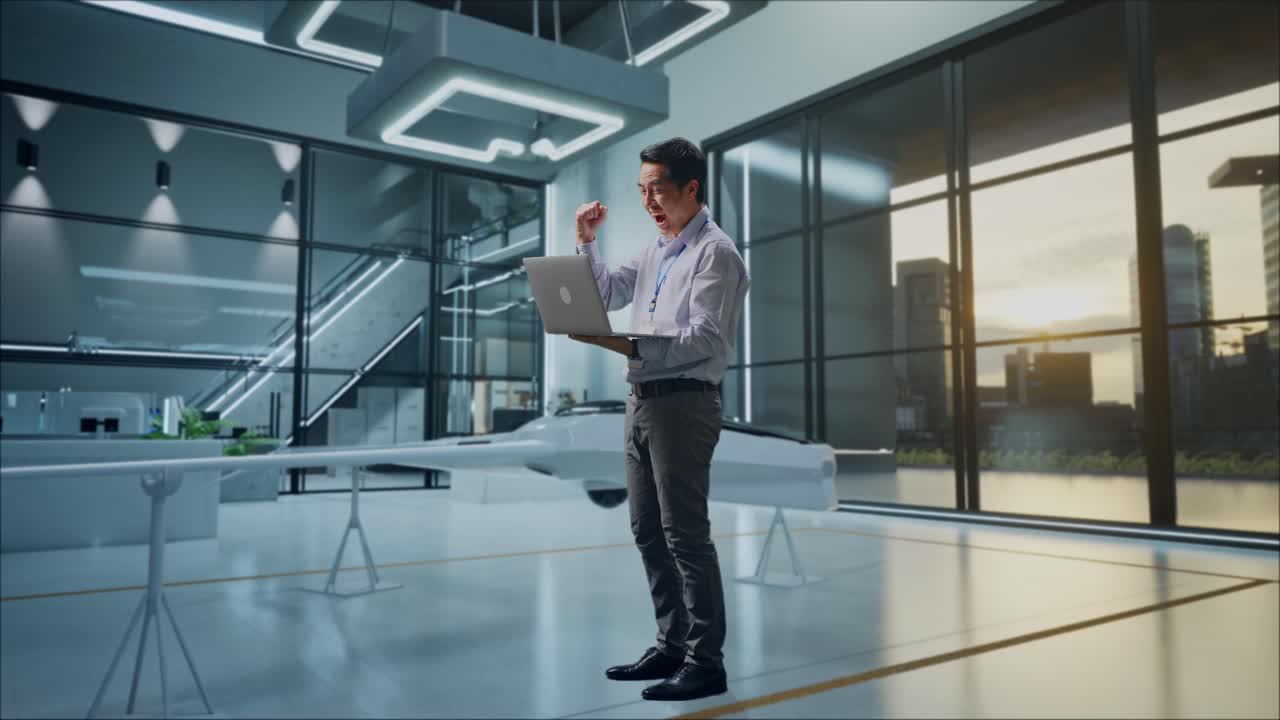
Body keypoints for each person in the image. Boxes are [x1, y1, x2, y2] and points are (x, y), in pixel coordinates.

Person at [569, 137, 749, 702]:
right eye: (641, 190)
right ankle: (672, 645)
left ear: (691, 188)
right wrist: (585, 243)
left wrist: (627, 348)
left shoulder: (715, 252)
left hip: (685, 401)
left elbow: (706, 338)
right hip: (642, 399)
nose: (648, 200)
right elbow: (607, 293)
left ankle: (706, 661)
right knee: (646, 529)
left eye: (659, 190)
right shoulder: (655, 249)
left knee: (685, 536)